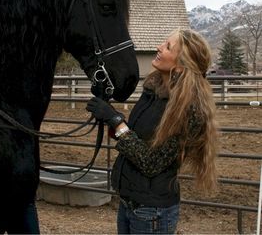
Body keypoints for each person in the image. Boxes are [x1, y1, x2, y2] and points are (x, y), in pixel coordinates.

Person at [86, 28, 218, 234]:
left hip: (152, 211)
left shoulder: (189, 109)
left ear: (181, 65)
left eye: (167, 47)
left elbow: (151, 162)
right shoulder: (153, 92)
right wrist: (110, 119)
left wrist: (117, 122)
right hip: (129, 200)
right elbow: (136, 138)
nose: (159, 47)